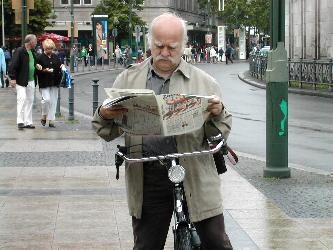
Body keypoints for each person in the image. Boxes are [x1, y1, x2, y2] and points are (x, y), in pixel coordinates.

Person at [92, 13, 233, 250]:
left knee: (216, 242)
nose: (165, 52)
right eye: (159, 46)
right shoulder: (128, 78)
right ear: (150, 43)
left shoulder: (204, 82)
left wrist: (218, 112)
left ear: (183, 46)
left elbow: (220, 130)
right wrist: (105, 114)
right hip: (147, 174)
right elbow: (105, 129)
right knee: (146, 245)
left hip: (194, 171)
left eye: (172, 47)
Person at [8, 34, 40, 130]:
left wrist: (36, 65)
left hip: (31, 80)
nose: (36, 43)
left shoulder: (32, 52)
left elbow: (32, 63)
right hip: (21, 80)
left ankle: (28, 122)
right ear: (30, 42)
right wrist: (12, 78)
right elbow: (13, 65)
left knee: (30, 101)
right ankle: (20, 121)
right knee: (22, 99)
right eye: (35, 41)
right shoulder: (20, 51)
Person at [36, 39, 63, 128]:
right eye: (47, 49)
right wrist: (43, 70)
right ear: (44, 48)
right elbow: (36, 70)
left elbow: (59, 67)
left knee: (54, 101)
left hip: (55, 81)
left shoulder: (56, 57)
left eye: (50, 49)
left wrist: (62, 66)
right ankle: (44, 115)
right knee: (46, 100)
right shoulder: (39, 57)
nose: (49, 51)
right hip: (44, 82)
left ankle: (51, 120)